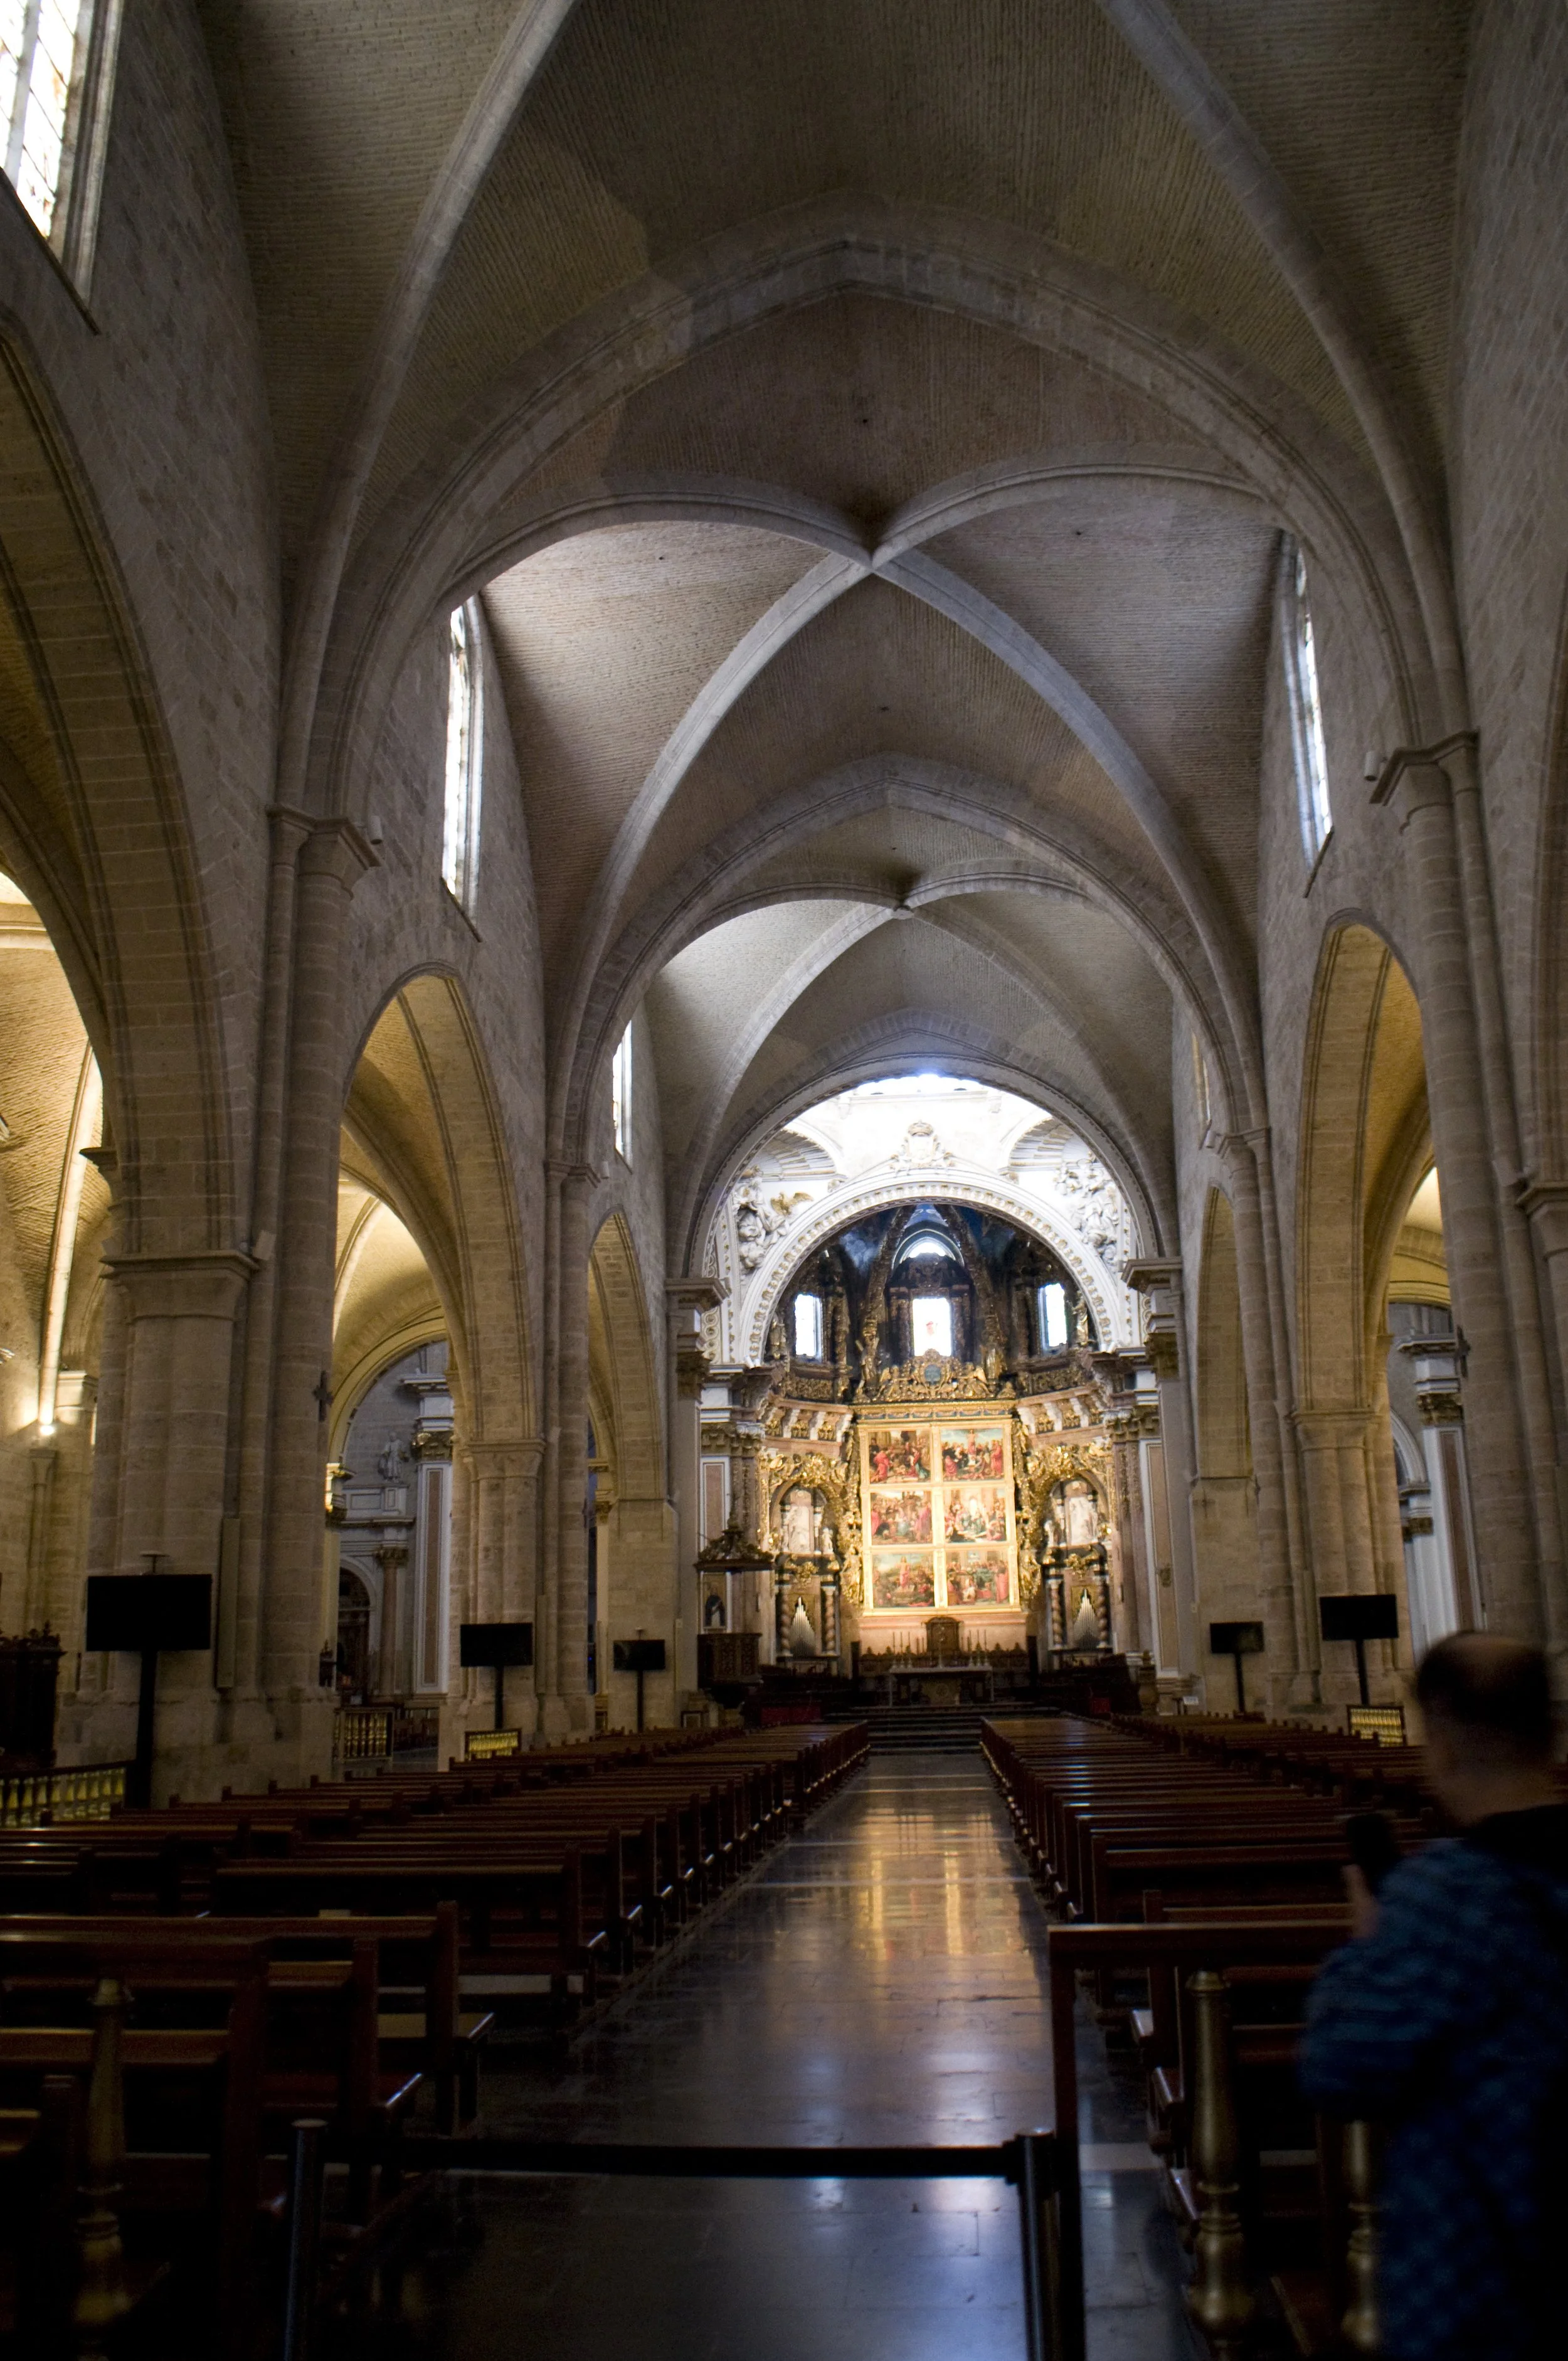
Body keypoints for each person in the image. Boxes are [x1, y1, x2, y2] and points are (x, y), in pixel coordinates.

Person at [1300, 1632, 1568, 2361]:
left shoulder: (1444, 1895)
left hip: (1475, 2283)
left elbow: (1337, 2064)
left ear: (1440, 1742)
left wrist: (1365, 1946)